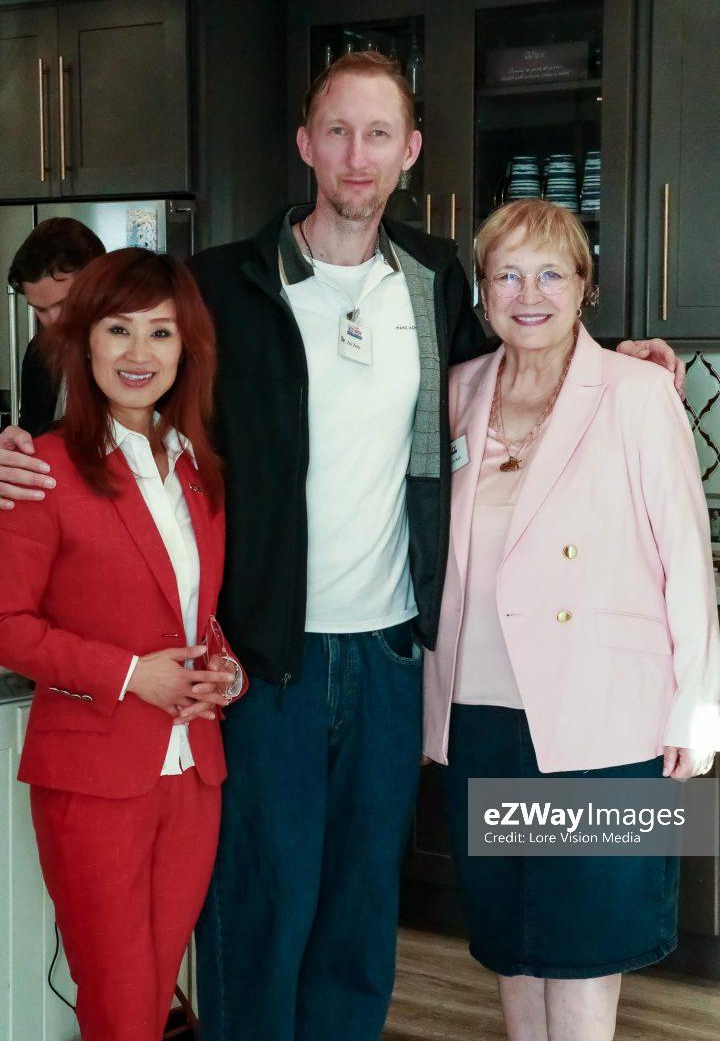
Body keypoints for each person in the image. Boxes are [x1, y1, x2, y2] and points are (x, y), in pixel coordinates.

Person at [0, 54, 686, 1039]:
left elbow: (529, 338)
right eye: (337, 131)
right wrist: (27, 442)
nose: (356, 155)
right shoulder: (224, 284)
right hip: (264, 658)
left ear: (410, 151)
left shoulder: (436, 281)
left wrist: (618, 357)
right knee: (262, 915)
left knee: (362, 925)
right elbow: (121, 369)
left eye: (378, 134)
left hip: (397, 659)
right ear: (306, 145)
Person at [423, 199, 720, 1041]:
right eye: (508, 275)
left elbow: (686, 558)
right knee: (512, 941)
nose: (529, 295)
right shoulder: (458, 390)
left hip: (605, 722)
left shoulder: (638, 390)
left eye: (551, 274)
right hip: (480, 715)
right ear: (483, 290)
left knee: (587, 947)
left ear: (585, 287)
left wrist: (698, 717)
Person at [0, 248, 246, 1041]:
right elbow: (7, 624)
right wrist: (131, 675)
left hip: (193, 774)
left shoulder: (199, 471)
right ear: (84, 340)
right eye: (118, 329)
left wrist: (224, 670)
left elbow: (194, 615)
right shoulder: (40, 469)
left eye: (161, 332)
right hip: (92, 777)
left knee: (153, 995)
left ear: (186, 349)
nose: (140, 353)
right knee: (117, 1001)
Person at [8, 216, 105, 436]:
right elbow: (32, 430)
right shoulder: (40, 351)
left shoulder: (131, 351)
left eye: (65, 304)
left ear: (99, 285)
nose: (54, 322)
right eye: (40, 309)